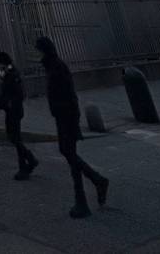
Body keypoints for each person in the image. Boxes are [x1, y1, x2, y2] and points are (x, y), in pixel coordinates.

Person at [36, 36, 108, 218]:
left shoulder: (57, 67)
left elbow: (68, 94)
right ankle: (91, 187)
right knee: (69, 153)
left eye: (38, 50)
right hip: (64, 115)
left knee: (68, 152)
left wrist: (69, 116)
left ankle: (87, 193)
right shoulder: (52, 66)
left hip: (66, 116)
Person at [0, 51, 38, 180]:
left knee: (15, 138)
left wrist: (2, 103)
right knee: (14, 137)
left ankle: (28, 161)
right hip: (14, 109)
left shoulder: (11, 74)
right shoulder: (11, 72)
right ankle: (25, 165)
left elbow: (12, 93)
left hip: (13, 109)